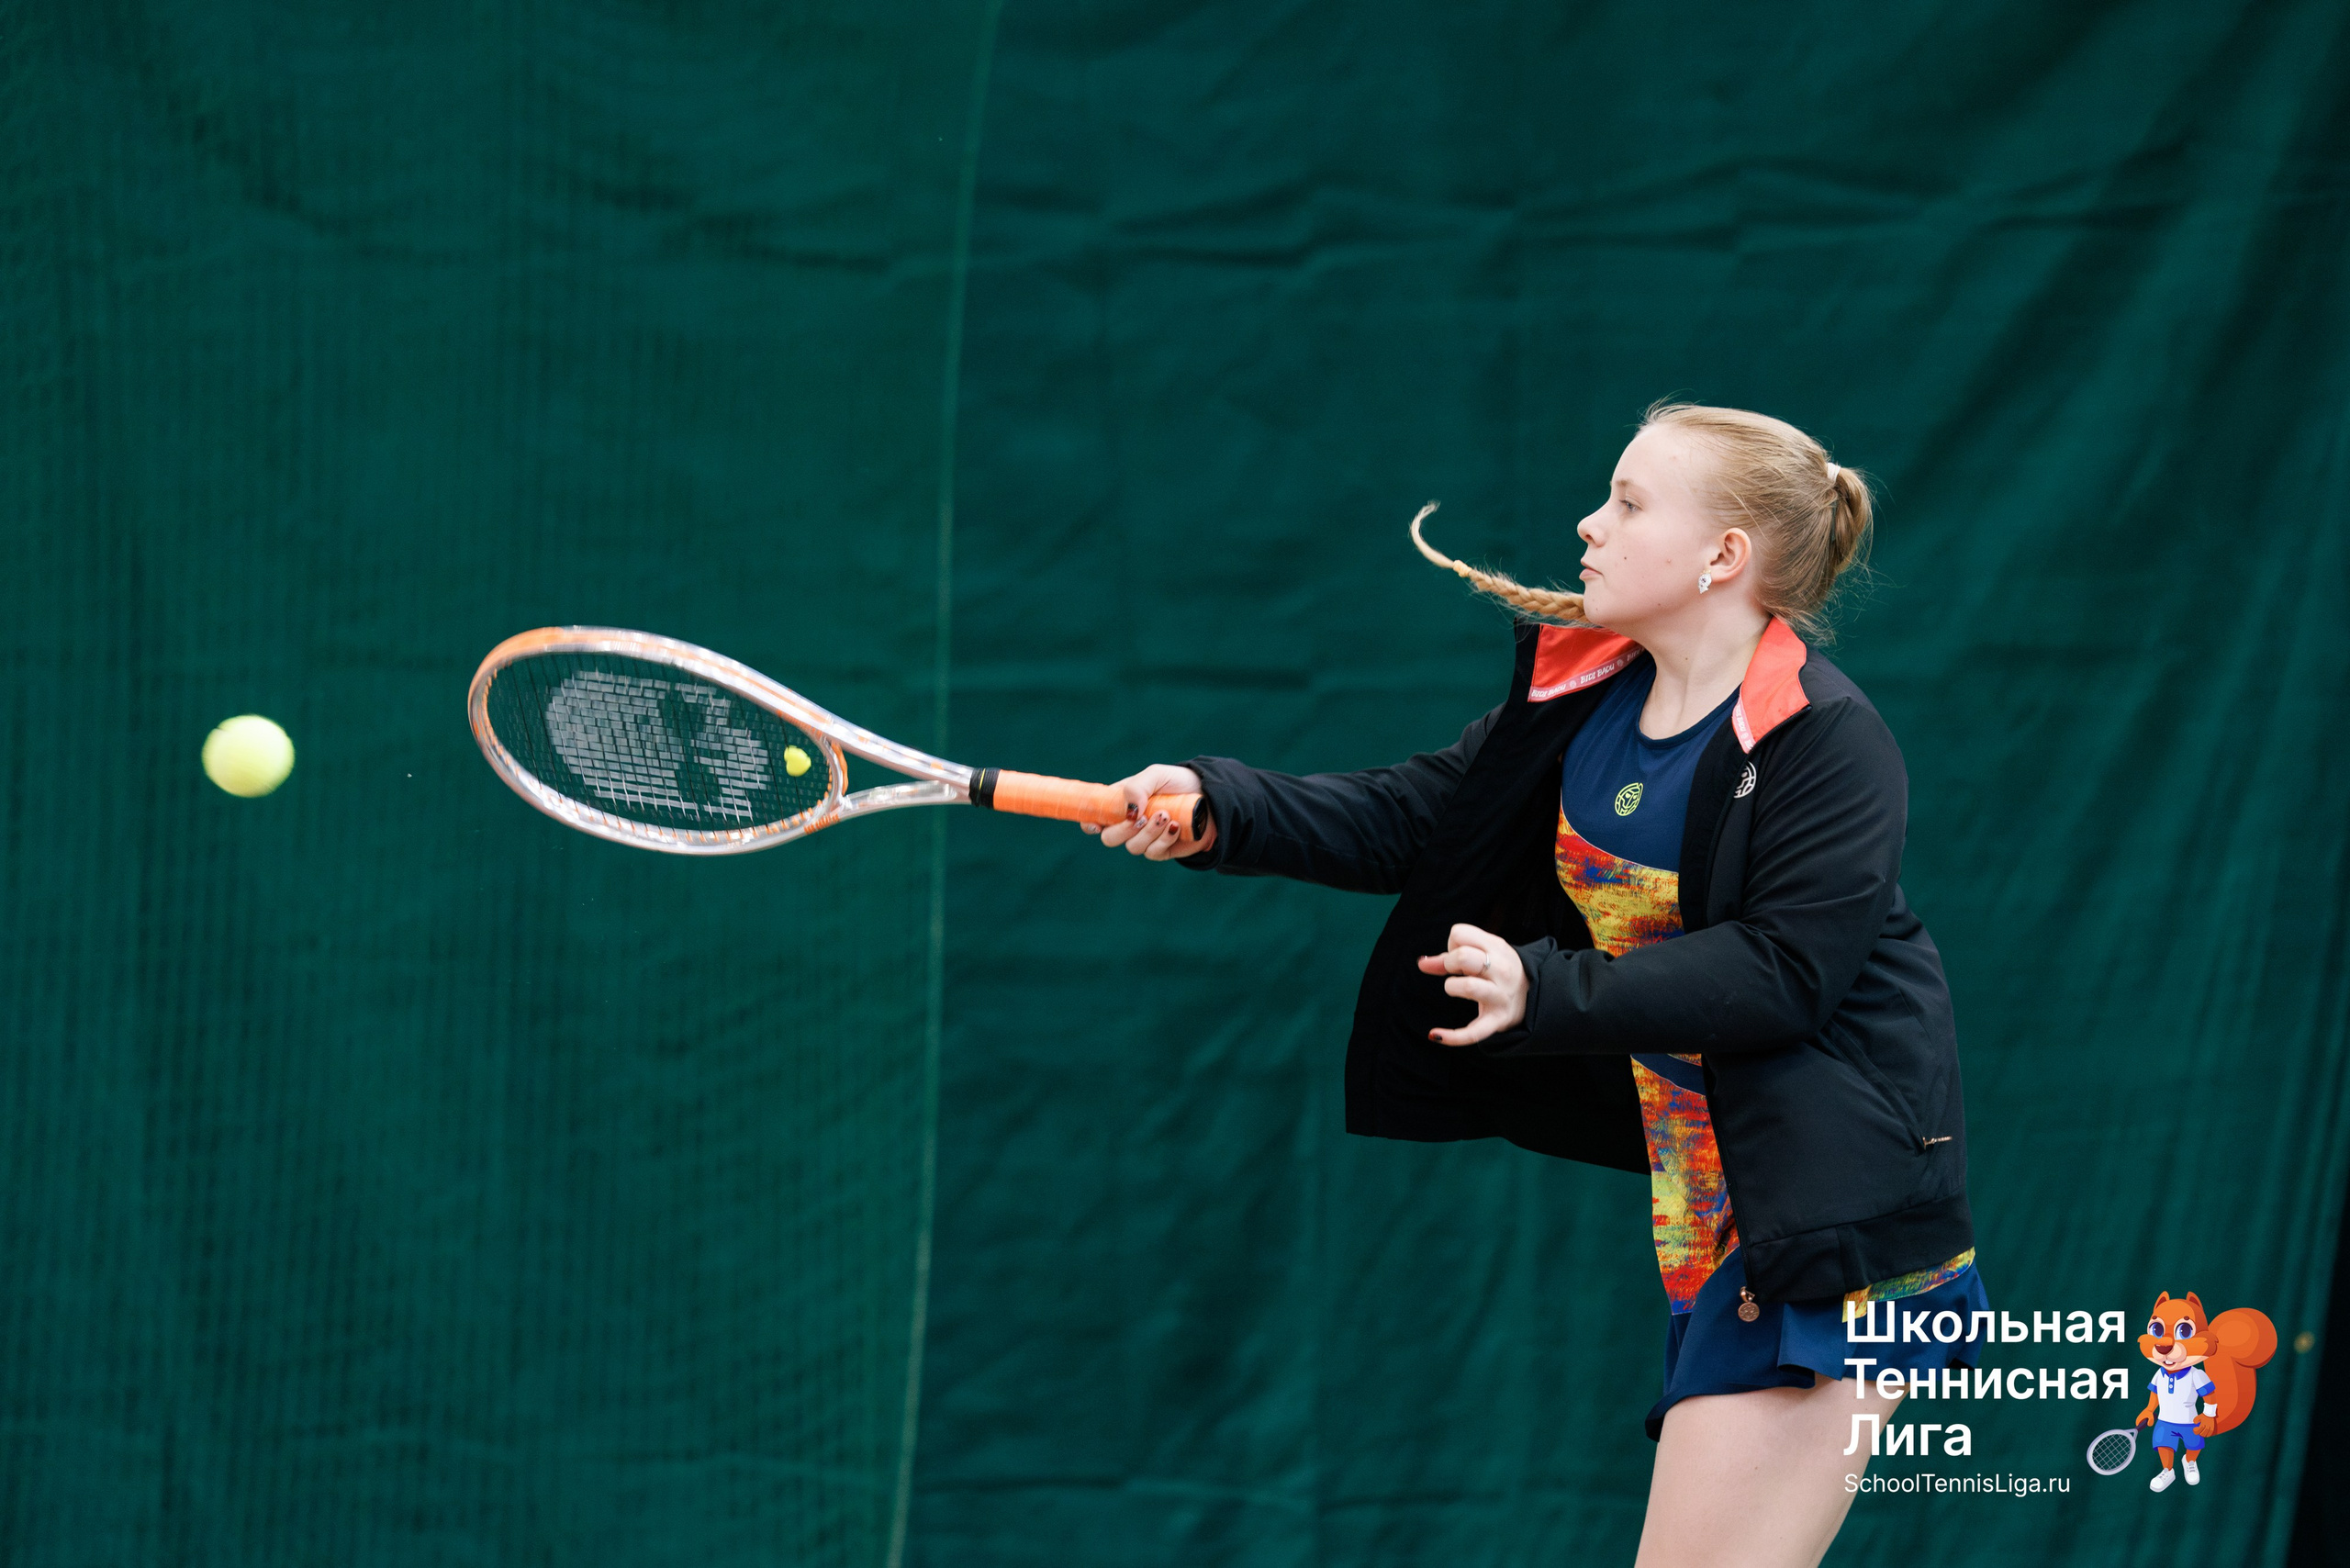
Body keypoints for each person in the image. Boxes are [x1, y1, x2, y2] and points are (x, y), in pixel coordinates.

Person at [1083, 402, 1983, 1568]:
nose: (1588, 524)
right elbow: (1417, 816)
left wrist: (1545, 989)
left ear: (1724, 557)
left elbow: (1784, 969)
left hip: (1834, 1232)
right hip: (1705, 1215)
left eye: (1628, 502)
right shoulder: (1591, 700)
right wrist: (1223, 807)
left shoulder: (1825, 741)